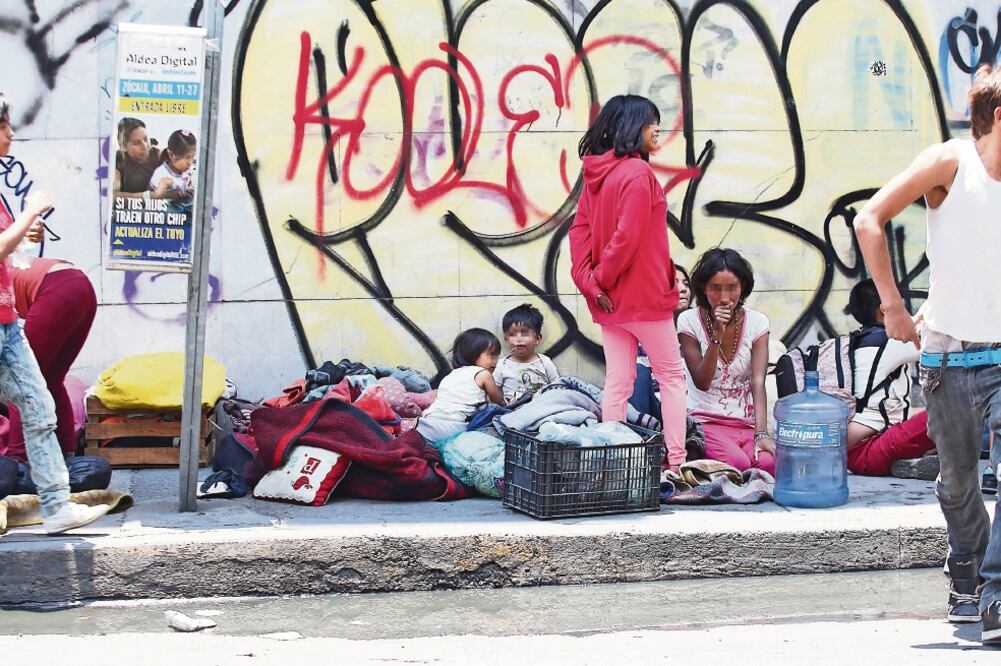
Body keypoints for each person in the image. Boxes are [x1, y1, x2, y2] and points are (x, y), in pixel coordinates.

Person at [852, 63, 1001, 642]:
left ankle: (995, 592)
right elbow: (870, 220)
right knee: (958, 485)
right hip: (948, 359)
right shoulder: (951, 163)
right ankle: (967, 570)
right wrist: (892, 307)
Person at [0, 94, 108, 533]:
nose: (11, 133)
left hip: (12, 320)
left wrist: (27, 230)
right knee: (36, 399)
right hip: (19, 315)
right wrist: (29, 213)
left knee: (39, 402)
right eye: (4, 126)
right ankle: (25, 477)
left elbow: (11, 252)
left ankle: (55, 504)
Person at [568, 94, 687, 471]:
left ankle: (611, 461)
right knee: (671, 377)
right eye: (652, 123)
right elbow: (627, 237)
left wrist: (591, 284)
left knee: (618, 379)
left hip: (609, 301)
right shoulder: (638, 173)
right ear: (632, 127)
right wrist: (600, 280)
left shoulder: (596, 174)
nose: (657, 130)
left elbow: (579, 232)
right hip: (644, 297)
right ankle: (677, 462)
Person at [677, 248, 775, 475]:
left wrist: (761, 434)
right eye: (715, 288)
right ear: (703, 288)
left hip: (744, 423)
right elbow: (702, 381)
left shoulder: (757, 322)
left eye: (732, 287)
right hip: (704, 422)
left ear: (743, 287)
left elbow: (758, 382)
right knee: (737, 465)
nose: (724, 297)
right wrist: (716, 336)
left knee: (769, 464)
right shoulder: (689, 320)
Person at [841, 279, 936, 477]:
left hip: (854, 452)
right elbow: (937, 346)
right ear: (885, 309)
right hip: (871, 450)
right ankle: (911, 461)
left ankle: (908, 462)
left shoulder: (858, 340)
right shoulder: (889, 342)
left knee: (930, 415)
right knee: (949, 412)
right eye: (899, 303)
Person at [10, 256, 97, 455]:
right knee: (51, 379)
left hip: (55, 288)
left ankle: (18, 460)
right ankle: (66, 455)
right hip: (78, 284)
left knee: (19, 380)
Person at [416, 328, 505, 442]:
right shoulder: (483, 374)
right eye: (491, 356)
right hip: (453, 427)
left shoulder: (450, 375)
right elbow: (498, 402)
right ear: (473, 354)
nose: (495, 362)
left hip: (427, 423)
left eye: (497, 356)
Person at [493, 303, 560, 404]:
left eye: (524, 333)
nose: (518, 339)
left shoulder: (544, 362)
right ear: (507, 340)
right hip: (513, 410)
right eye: (512, 334)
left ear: (537, 339)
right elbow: (494, 392)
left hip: (542, 407)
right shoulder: (502, 365)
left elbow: (558, 387)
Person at [114, 117, 160, 196]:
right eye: (136, 143)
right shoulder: (117, 161)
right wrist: (150, 196)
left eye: (146, 139)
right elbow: (113, 195)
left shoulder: (158, 155)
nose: (145, 146)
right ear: (124, 146)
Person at [150, 129, 196, 200]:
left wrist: (190, 190)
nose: (190, 163)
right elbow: (155, 196)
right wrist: (172, 195)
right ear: (171, 155)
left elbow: (190, 185)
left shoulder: (188, 170)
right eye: (187, 158)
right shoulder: (160, 174)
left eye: (192, 157)